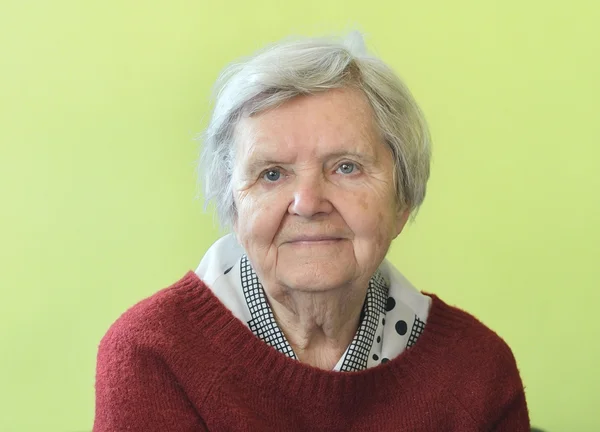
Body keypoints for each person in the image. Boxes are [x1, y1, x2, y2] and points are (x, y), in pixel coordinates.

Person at [93, 32, 530, 431]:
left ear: (404, 200)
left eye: (346, 167)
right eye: (272, 174)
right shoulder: (152, 356)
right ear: (234, 207)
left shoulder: (477, 369)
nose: (307, 202)